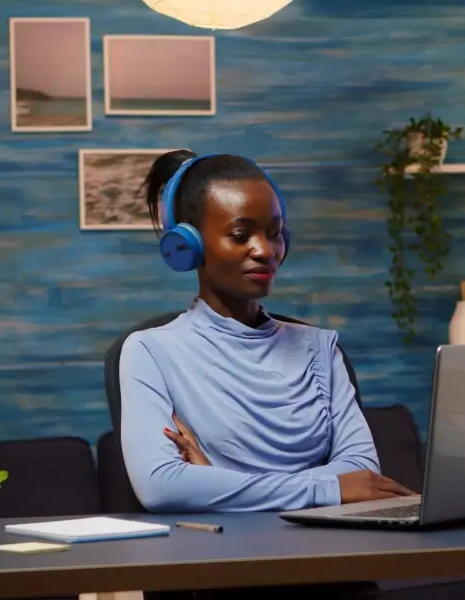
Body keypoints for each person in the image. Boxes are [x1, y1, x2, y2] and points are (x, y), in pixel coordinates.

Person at [117, 150, 414, 600]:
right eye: (241, 235)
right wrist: (326, 487)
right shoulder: (150, 351)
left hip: (329, 571)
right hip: (219, 576)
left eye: (274, 233)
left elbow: (363, 473)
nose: (264, 250)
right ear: (188, 246)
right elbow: (161, 485)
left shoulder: (320, 347)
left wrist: (217, 477)